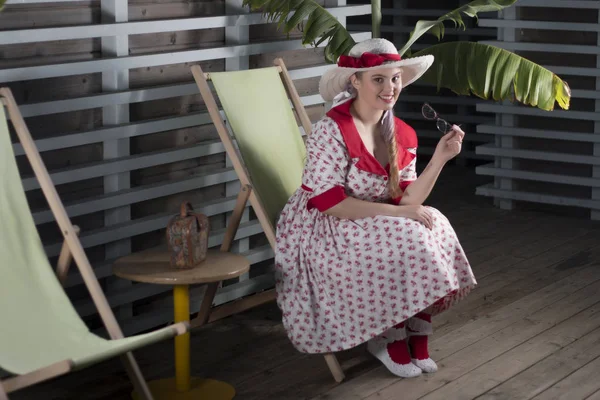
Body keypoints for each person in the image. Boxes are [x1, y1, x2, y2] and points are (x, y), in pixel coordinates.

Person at [273, 38, 477, 378]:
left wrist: (441, 158)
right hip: (327, 223)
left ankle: (416, 326)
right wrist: (400, 214)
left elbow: (409, 200)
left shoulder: (401, 133)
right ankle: (387, 335)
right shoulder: (331, 130)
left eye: (395, 78)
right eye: (378, 79)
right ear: (355, 82)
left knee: (433, 224)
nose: (390, 88)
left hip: (375, 216)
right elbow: (329, 202)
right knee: (406, 237)